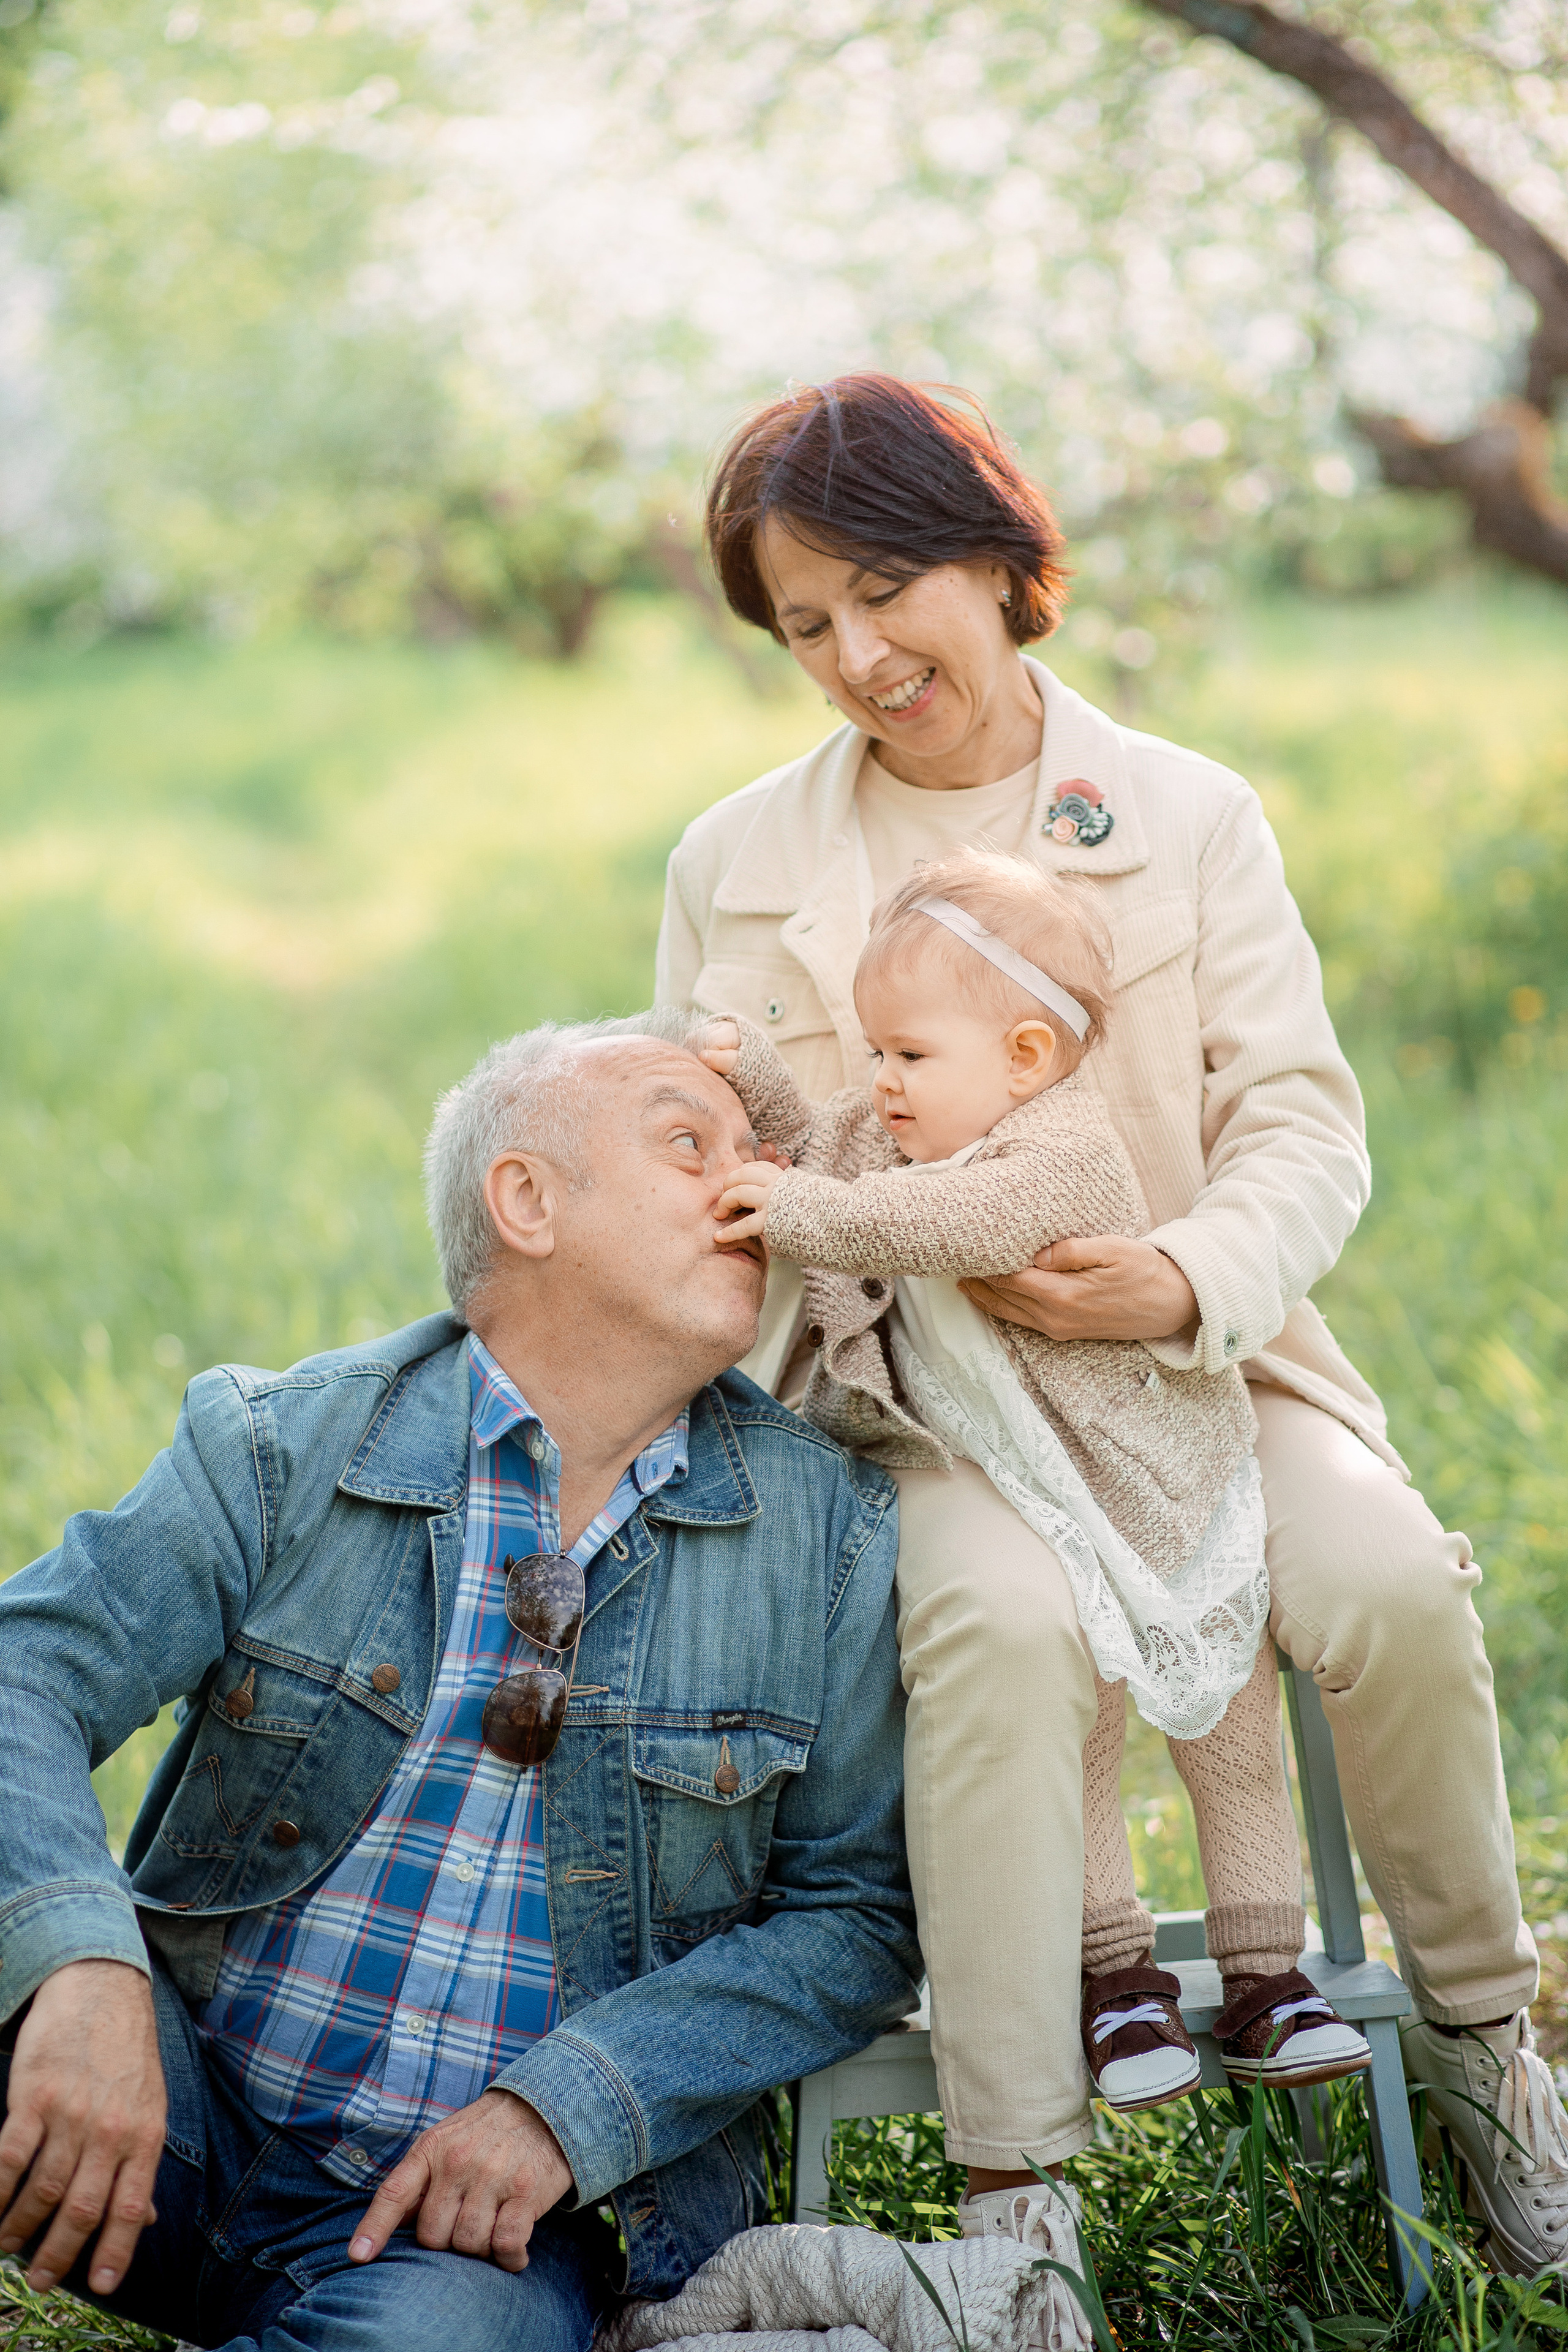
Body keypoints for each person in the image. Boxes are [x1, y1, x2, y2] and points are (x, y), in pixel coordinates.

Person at [654, 371, 1568, 2277]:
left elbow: (1301, 1122)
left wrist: (1187, 1274)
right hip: (931, 1407)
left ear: (996, 558)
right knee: (998, 1629)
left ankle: (1488, 2062)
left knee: (1393, 1584)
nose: (856, 657)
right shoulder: (738, 861)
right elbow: (704, 1159)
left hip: (1199, 1367)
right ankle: (1020, 2200)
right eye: (804, 625)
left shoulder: (1184, 815)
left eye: (884, 592)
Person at [0, 1013, 925, 2352]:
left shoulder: (826, 1535)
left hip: (474, 2235)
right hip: (173, 2103)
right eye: (690, 1143)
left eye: (763, 1155)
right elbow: (26, 1670)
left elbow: (854, 1913)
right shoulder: (284, 1444)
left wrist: (570, 2106)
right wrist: (82, 1968)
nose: (756, 1186)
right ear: (526, 1201)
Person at [700, 844, 1373, 2127]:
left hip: (1166, 1495)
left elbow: (935, 1226)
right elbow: (819, 1149)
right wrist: (756, 1077)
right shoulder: (893, 1132)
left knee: (1229, 1746)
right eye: (876, 1051)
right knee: (1083, 1737)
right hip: (1049, 1506)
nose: (881, 1080)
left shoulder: (1061, 1151)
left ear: (1022, 1057)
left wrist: (792, 1212)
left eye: (908, 1053)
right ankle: (1114, 1980)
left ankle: (1267, 1978)